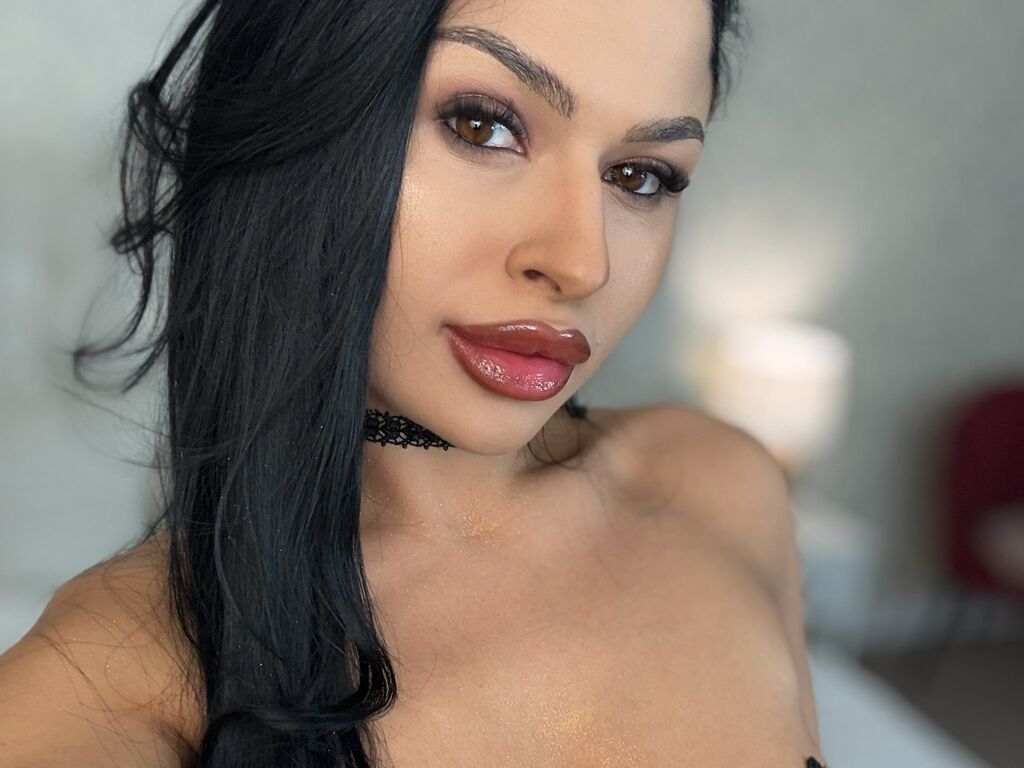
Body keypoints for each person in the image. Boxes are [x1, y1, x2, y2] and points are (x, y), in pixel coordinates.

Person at [0, 0, 829, 766]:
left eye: (641, 176)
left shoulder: (723, 487)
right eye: (482, 125)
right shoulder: (106, 678)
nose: (583, 262)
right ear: (301, 104)